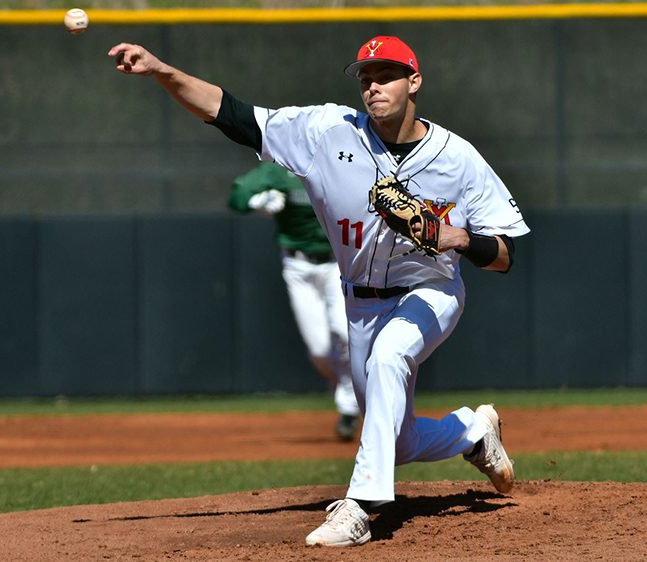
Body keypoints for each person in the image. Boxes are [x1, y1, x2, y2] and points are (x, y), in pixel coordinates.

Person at [109, 34, 529, 547]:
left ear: (414, 81)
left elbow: (505, 257)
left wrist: (456, 237)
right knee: (394, 440)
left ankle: (362, 506)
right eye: (366, 78)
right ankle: (471, 432)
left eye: (387, 75)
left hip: (431, 289)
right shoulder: (327, 131)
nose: (373, 87)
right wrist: (160, 71)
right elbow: (232, 114)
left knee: (391, 358)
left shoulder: (457, 158)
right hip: (360, 301)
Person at [228, 161, 361, 441]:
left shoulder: (337, 163)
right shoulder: (277, 170)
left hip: (338, 264)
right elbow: (236, 197)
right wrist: (256, 201)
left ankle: (350, 405)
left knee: (344, 333)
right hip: (298, 266)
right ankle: (344, 385)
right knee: (319, 350)